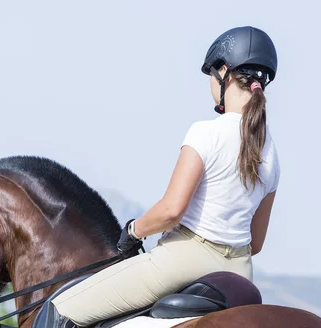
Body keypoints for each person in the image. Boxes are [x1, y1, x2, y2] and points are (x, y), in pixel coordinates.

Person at [47, 26, 281, 328]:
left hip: (185, 260)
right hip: (240, 274)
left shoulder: (206, 132)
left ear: (224, 72)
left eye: (211, 75)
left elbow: (171, 211)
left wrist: (133, 231)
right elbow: (256, 242)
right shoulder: (272, 153)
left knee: (60, 309)